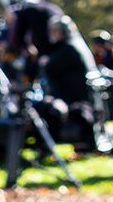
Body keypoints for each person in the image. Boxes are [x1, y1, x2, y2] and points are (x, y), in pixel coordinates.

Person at [38, 17, 103, 151]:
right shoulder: (75, 44)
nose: (52, 34)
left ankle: (47, 148)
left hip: (75, 97)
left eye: (55, 31)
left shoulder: (69, 48)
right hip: (76, 95)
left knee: (46, 109)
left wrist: (46, 63)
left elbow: (51, 68)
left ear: (63, 32)